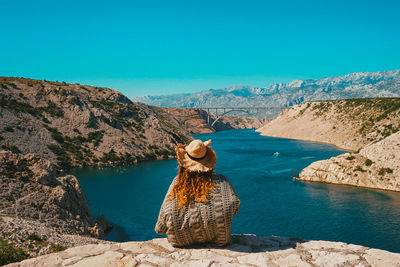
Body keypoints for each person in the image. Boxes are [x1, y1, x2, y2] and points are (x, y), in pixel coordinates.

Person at [155, 139, 240, 247]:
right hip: (221, 239)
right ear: (209, 162)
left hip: (179, 241)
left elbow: (160, 228)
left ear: (183, 164)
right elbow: (235, 206)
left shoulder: (177, 184)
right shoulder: (223, 181)